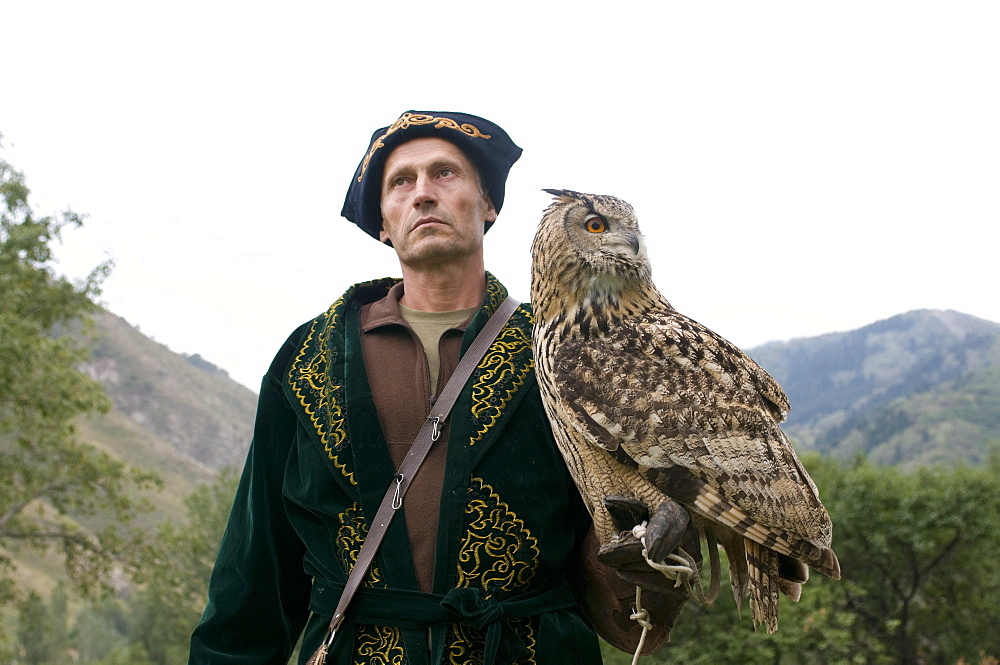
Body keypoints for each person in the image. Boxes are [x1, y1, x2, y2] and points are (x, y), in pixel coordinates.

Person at [188, 111, 690, 665]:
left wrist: (651, 551)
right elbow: (257, 563)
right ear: (383, 220)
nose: (423, 193)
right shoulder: (311, 358)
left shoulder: (567, 352)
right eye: (401, 181)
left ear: (489, 204)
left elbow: (624, 526)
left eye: (445, 173)